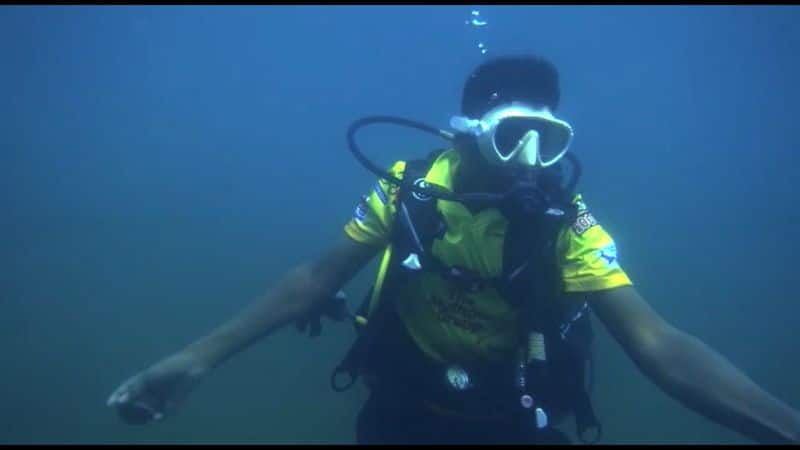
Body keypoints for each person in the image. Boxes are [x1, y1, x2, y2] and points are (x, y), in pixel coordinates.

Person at [107, 55, 800, 444]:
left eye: (548, 140)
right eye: (512, 136)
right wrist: (196, 358)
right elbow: (314, 281)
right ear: (465, 133)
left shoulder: (565, 222)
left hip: (512, 413)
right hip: (402, 408)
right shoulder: (410, 190)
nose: (530, 162)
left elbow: (658, 344)